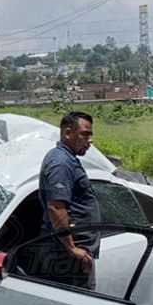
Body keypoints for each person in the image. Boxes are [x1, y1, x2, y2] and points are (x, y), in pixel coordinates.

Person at [39, 111, 100, 288]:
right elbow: (56, 207)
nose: (90, 141)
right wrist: (72, 248)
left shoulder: (66, 158)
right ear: (67, 133)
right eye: (84, 134)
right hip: (66, 254)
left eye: (90, 135)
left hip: (69, 251)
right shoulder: (61, 163)